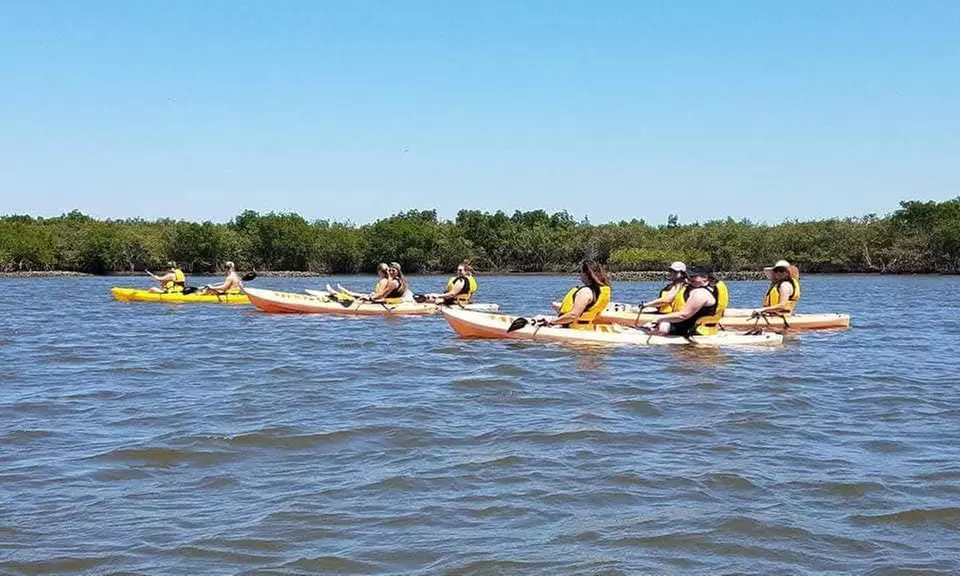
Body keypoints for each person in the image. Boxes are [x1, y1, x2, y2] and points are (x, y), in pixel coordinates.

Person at [645, 268, 728, 336]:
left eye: (693, 276)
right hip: (708, 328)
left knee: (663, 325)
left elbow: (683, 315)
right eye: (689, 276)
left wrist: (658, 319)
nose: (689, 279)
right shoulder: (714, 289)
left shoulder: (700, 293)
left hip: (693, 330)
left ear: (705, 278)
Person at [542, 260, 612, 329]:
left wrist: (551, 322)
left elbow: (573, 315)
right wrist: (560, 308)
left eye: (580, 272)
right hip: (587, 327)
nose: (579, 274)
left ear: (586, 274)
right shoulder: (600, 290)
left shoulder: (585, 292)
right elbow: (587, 309)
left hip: (574, 329)